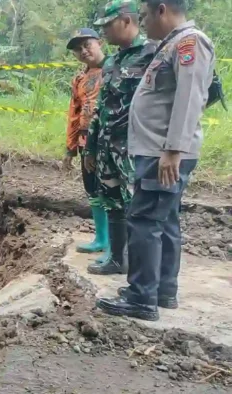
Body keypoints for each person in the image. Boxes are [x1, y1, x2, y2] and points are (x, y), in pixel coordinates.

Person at [96, 0, 216, 322]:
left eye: (146, 15)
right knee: (165, 221)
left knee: (145, 221)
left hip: (164, 153)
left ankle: (141, 298)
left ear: (162, 9)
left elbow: (190, 98)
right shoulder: (170, 44)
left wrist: (173, 150)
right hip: (159, 150)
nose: (144, 22)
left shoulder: (190, 42)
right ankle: (162, 290)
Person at [83, 0, 157, 276]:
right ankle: (116, 258)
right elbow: (101, 107)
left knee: (136, 207)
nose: (105, 33)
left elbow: (198, 92)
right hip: (107, 148)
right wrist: (91, 147)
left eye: (108, 26)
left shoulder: (154, 53)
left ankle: (140, 270)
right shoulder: (112, 61)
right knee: (112, 201)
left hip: (135, 149)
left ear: (126, 21)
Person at [64, 29, 107, 256]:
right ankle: (101, 238)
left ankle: (118, 245)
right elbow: (74, 113)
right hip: (85, 142)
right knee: (93, 190)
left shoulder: (116, 69)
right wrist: (70, 149)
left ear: (99, 43)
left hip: (111, 142)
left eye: (87, 45)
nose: (83, 52)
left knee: (114, 192)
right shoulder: (79, 79)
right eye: (77, 50)